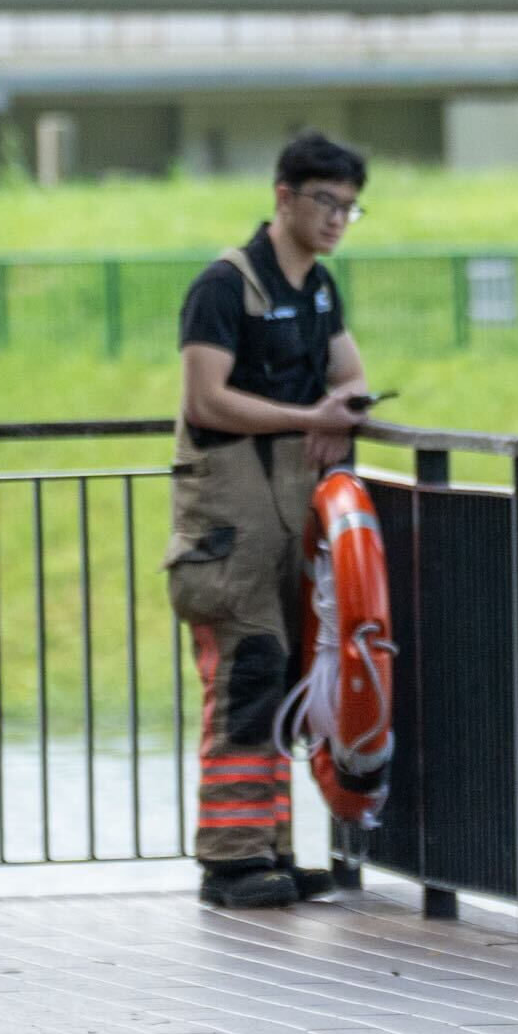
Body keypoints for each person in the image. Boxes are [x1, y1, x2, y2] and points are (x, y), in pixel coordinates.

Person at [168, 133, 373, 911]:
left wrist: (343, 409)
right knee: (249, 674)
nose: (338, 219)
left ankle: (271, 852)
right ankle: (229, 859)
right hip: (228, 519)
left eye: (351, 207)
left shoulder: (319, 288)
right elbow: (205, 399)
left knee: (285, 677)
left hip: (287, 512)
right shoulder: (224, 287)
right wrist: (307, 416)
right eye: (326, 202)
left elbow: (350, 375)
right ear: (283, 196)